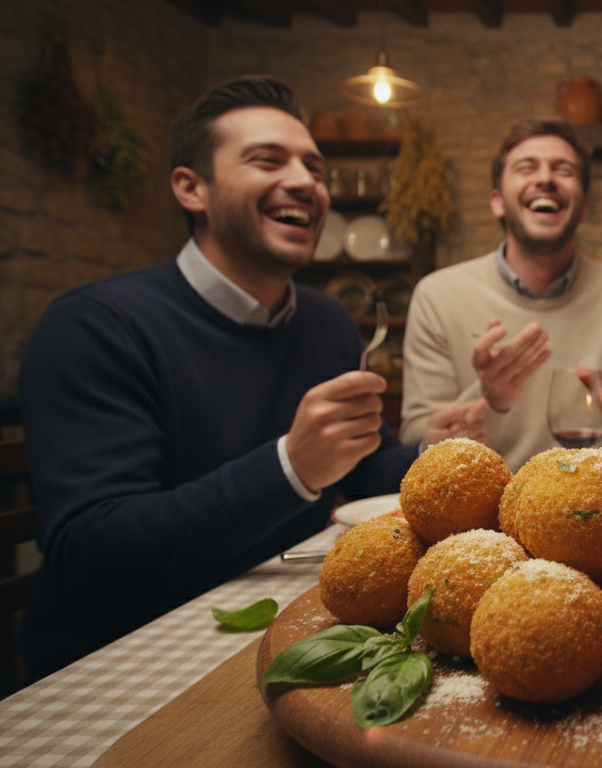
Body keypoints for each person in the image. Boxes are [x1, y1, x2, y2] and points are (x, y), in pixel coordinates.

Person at [18, 76, 483, 680]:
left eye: (314, 168)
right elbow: (93, 552)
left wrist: (430, 453)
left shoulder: (325, 321)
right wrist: (289, 468)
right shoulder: (95, 327)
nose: (304, 181)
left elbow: (366, 467)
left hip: (279, 629)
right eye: (268, 160)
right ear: (192, 188)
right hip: (121, 660)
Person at [399, 119, 602, 471]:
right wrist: (488, 397)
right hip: (483, 516)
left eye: (564, 169)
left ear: (584, 206)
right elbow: (416, 438)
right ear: (497, 202)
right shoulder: (437, 296)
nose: (545, 178)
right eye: (527, 167)